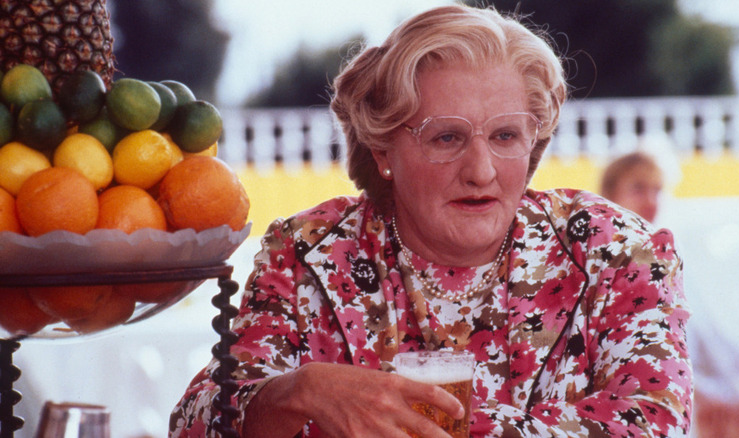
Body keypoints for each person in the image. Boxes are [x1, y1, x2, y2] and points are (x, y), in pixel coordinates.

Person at [170, 5, 691, 437]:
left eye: (506, 136)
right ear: (382, 150)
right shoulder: (310, 252)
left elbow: (653, 421)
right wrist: (296, 391)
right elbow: (196, 421)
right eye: (447, 137)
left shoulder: (614, 250)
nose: (481, 170)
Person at [599, 151, 739, 438]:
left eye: (657, 190)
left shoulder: (667, 258)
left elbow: (711, 336)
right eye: (638, 188)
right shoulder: (608, 267)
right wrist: (696, 397)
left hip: (709, 398)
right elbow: (631, 360)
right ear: (608, 196)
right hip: (666, 409)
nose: (651, 201)